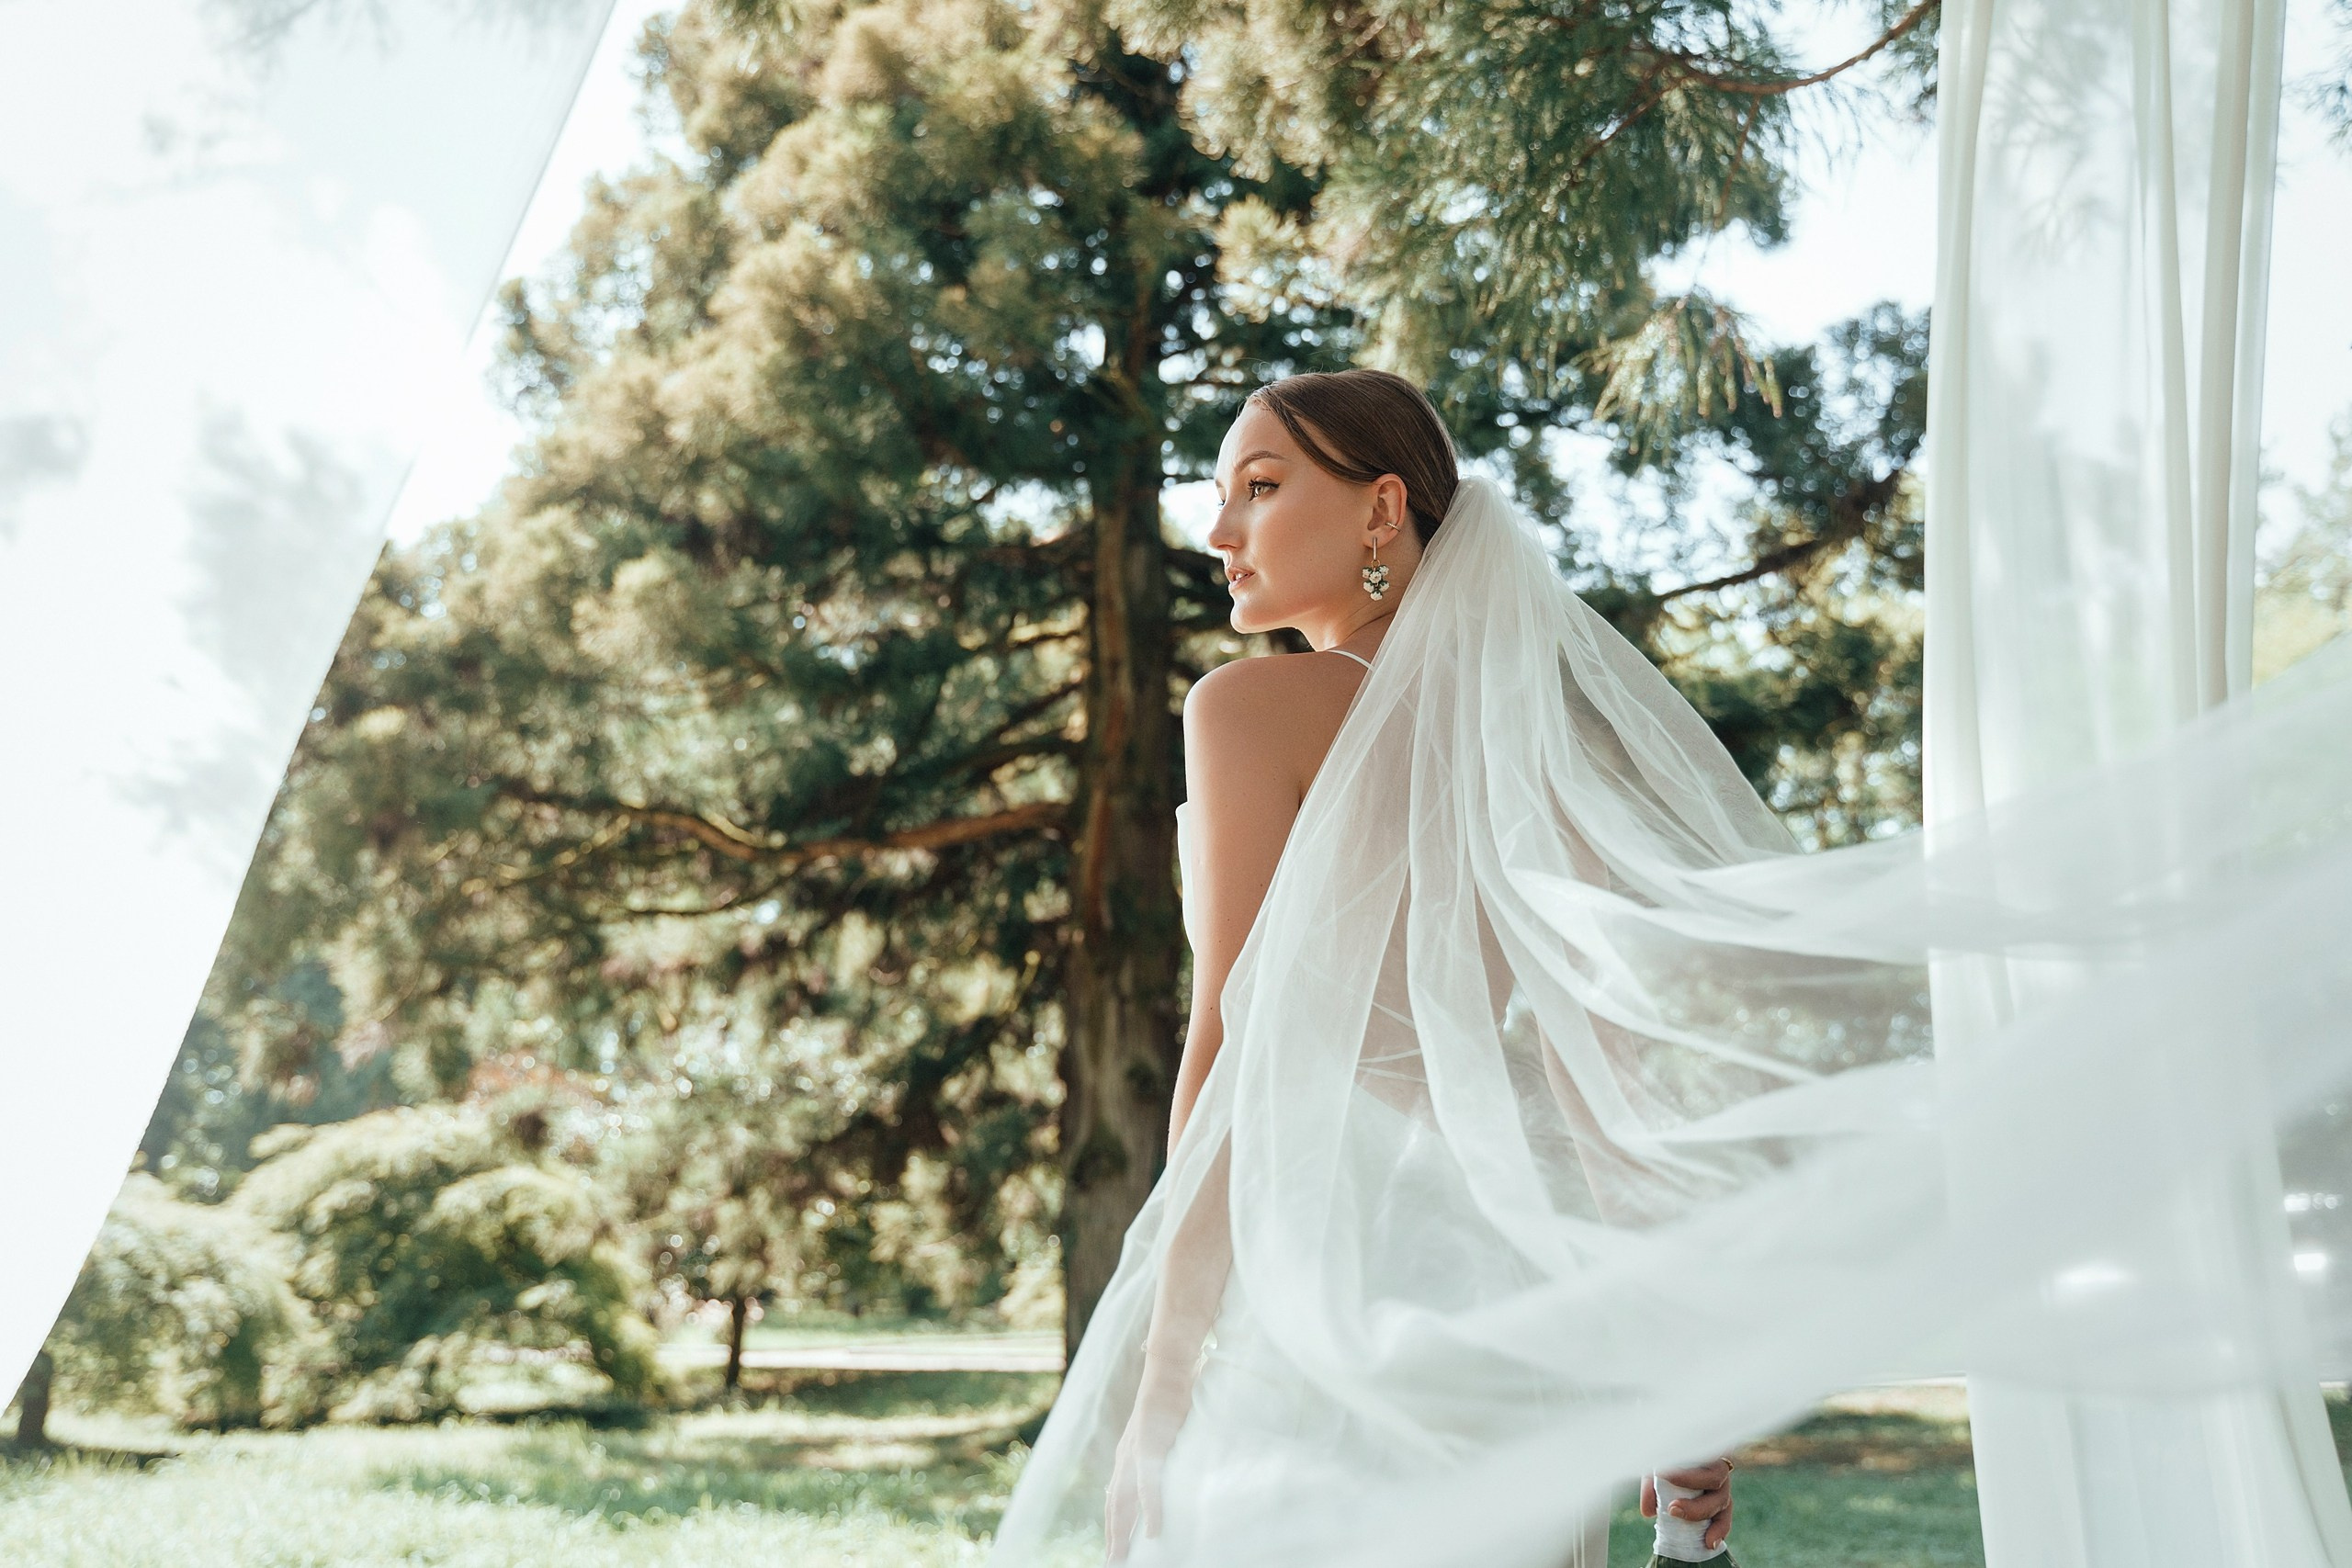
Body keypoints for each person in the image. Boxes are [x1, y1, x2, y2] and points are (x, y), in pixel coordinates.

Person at [1115, 369, 1736, 1565]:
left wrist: (1162, 1376)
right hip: (1509, 1306)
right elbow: (1597, 1070)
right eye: (1216, 494)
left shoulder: (1244, 710)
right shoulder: (1529, 736)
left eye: (1261, 485)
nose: (1219, 531)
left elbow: (1231, 1048)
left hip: (1316, 1285)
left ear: (1381, 511)